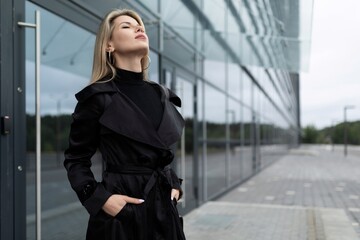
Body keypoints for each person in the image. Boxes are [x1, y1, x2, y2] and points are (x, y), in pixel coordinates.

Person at [64, 8, 186, 240]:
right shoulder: (99, 97)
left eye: (140, 26)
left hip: (164, 212)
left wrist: (174, 184)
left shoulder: (162, 95)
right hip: (122, 215)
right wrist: (101, 199)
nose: (139, 28)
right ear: (109, 45)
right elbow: (76, 159)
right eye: (126, 26)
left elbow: (161, 153)